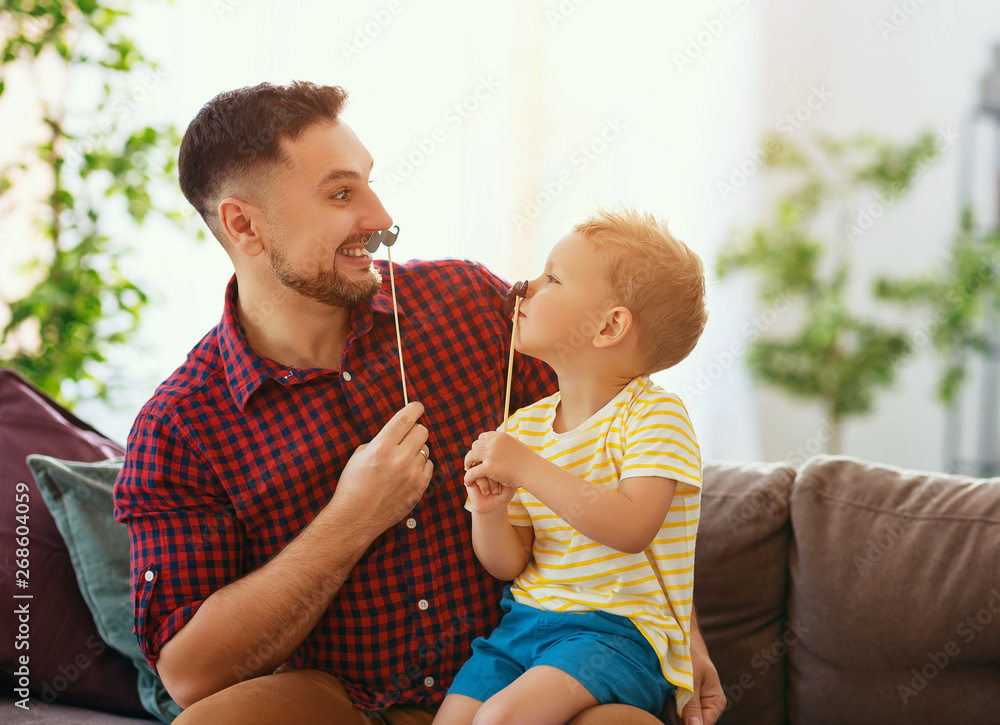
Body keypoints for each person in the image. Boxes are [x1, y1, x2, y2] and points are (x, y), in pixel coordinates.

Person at [112, 80, 725, 725]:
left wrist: (680, 634)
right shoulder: (180, 425)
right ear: (244, 224)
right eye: (342, 193)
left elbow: (618, 451)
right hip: (339, 697)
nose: (379, 218)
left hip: (535, 671)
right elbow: (188, 674)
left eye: (370, 185)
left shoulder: (470, 307)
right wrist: (352, 518)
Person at [433, 210, 708, 725]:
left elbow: (631, 527)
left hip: (615, 633)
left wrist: (528, 469)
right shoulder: (525, 426)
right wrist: (490, 512)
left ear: (608, 326)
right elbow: (509, 565)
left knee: (499, 720)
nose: (523, 286)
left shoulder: (655, 415)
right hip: (522, 625)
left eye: (552, 278)